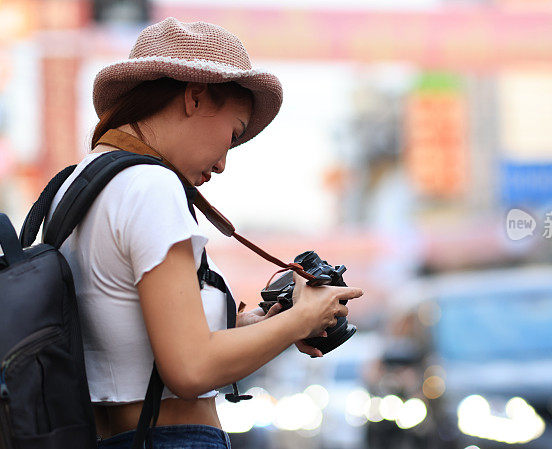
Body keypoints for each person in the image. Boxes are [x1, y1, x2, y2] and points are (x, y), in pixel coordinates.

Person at [46, 18, 363, 449]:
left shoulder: (75, 184)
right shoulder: (151, 186)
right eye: (232, 136)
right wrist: (302, 319)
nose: (221, 165)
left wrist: (260, 326)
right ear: (194, 96)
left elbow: (129, 332)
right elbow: (190, 369)